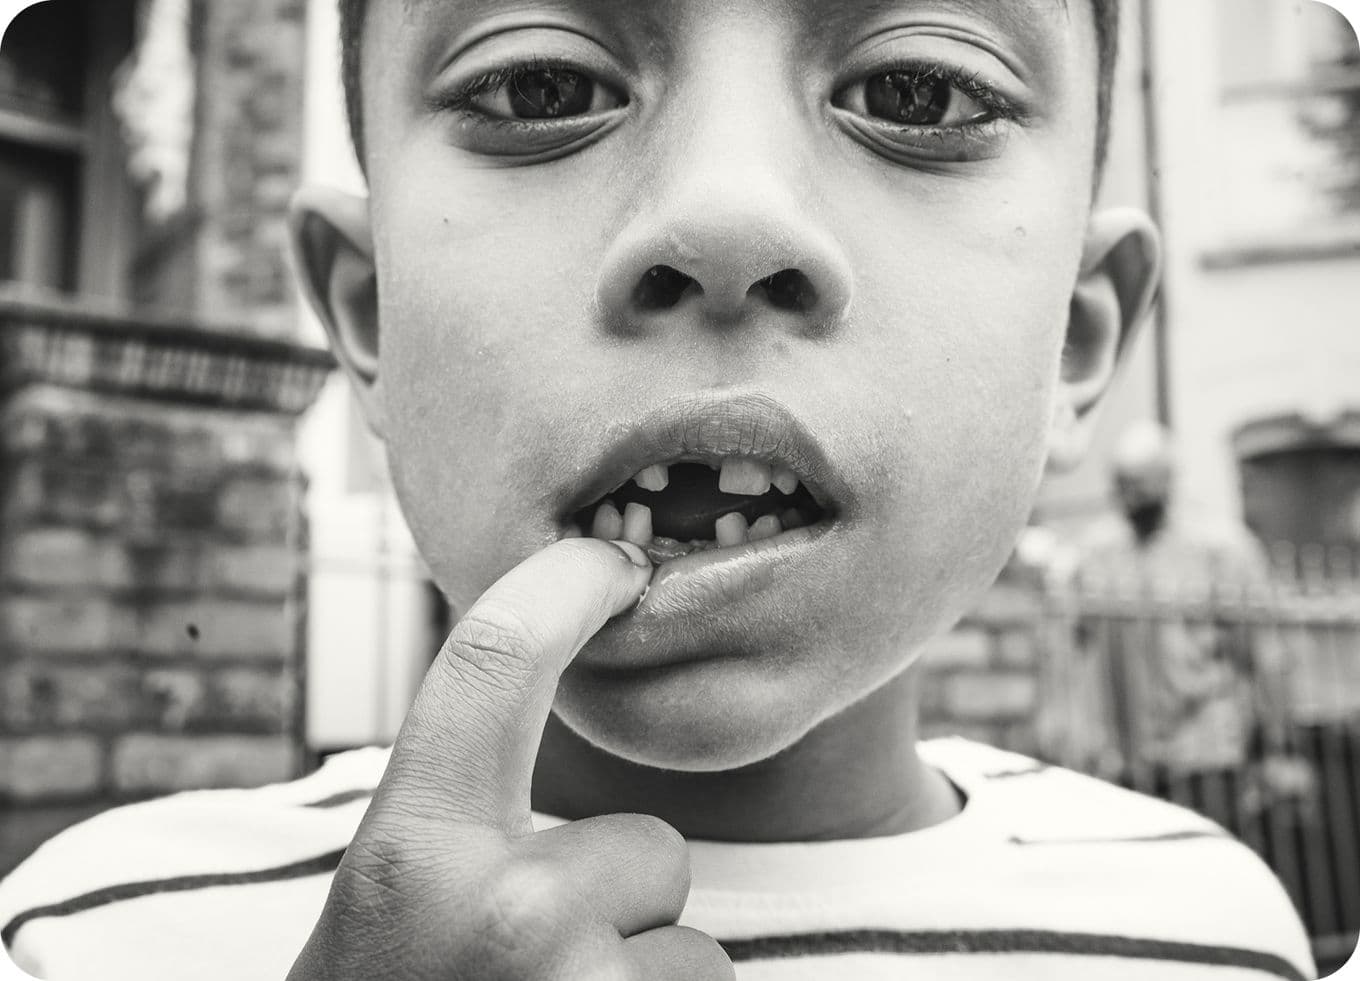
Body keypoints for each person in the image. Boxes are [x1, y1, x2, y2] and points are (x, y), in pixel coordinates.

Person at [0, 1, 1317, 979]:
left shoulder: (1224, 935)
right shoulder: (89, 933)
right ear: (369, 315)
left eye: (918, 92)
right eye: (534, 89)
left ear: (1079, 341)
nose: (726, 215)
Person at [1068, 421, 1298, 835]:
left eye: (1139, 484)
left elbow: (1264, 653)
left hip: (1207, 751)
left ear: (1167, 480)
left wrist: (1277, 746)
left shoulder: (1221, 548)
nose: (1128, 497)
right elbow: (1074, 645)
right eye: (1121, 484)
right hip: (1130, 757)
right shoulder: (1100, 551)